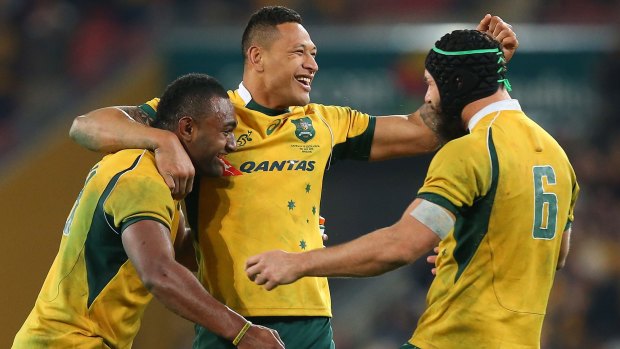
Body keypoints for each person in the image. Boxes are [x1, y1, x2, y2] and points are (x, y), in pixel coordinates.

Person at [68, 6, 519, 349]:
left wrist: (478, 68)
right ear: (257, 56)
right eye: (300, 52)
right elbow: (86, 125)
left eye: (315, 54)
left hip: (314, 320)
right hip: (231, 319)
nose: (312, 64)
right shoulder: (207, 117)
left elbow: (425, 130)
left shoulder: (326, 123)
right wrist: (161, 142)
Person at [245, 29, 580, 348]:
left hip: (454, 340)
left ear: (457, 84)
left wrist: (297, 264)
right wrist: (468, 249)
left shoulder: (469, 151)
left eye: (430, 85)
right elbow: (557, 254)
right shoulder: (557, 155)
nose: (427, 98)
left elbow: (400, 247)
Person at [13, 73, 284, 349]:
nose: (232, 144)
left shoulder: (152, 172)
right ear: (187, 128)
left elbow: (179, 250)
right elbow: (159, 273)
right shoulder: (142, 180)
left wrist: (263, 237)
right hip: (66, 342)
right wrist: (243, 332)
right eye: (226, 131)